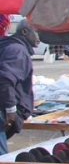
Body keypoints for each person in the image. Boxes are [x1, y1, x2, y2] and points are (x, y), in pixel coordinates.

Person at [0, 19, 38, 155]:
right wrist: (11, 110)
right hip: (2, 109)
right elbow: (5, 80)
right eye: (37, 32)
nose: (40, 37)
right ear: (25, 32)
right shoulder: (17, 50)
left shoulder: (8, 46)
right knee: (2, 162)